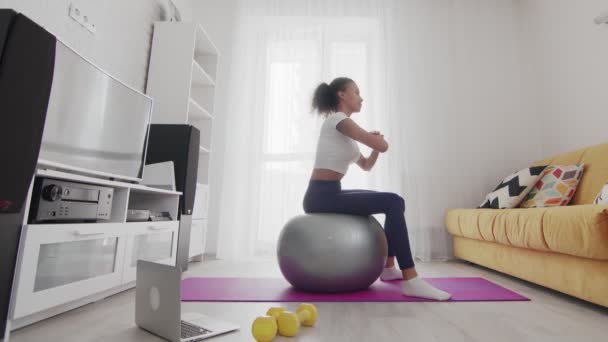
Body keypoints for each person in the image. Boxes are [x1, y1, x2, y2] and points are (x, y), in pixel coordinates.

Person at [303, 77, 451, 301]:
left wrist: (374, 146)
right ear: (342, 95)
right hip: (319, 196)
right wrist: (377, 141)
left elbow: (366, 165)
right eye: (356, 92)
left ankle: (390, 268)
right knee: (392, 201)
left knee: (393, 201)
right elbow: (382, 145)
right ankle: (411, 279)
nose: (361, 98)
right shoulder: (337, 120)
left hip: (330, 191)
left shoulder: (346, 134)